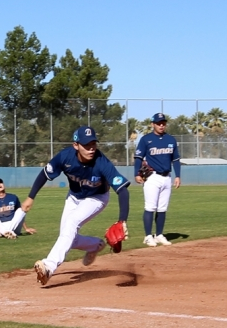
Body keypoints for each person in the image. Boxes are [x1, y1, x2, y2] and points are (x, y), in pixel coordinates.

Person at [22, 126, 130, 286]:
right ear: (76, 145)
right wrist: (31, 197)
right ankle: (96, 245)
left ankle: (48, 267)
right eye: (86, 145)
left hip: (97, 198)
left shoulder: (102, 162)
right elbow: (45, 173)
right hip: (74, 197)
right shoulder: (65, 157)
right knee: (67, 236)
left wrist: (122, 220)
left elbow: (123, 191)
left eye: (93, 144)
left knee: (71, 223)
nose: (91, 149)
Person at [134, 112, 181, 247]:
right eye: (159, 123)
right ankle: (148, 236)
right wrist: (137, 173)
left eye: (163, 123)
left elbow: (176, 159)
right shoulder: (146, 139)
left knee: (162, 208)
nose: (161, 125)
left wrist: (178, 175)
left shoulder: (171, 140)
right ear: (152, 124)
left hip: (167, 177)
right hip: (152, 177)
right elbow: (138, 157)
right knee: (150, 207)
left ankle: (159, 235)